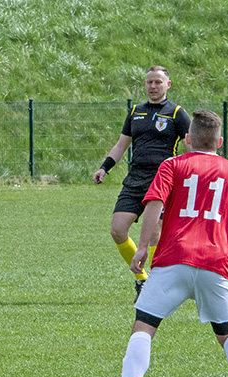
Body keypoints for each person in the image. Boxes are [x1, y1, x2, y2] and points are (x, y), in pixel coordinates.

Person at [102, 110, 228, 377]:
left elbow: (154, 203)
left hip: (173, 259)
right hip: (215, 265)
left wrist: (143, 246)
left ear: (187, 139)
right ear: (220, 142)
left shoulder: (171, 165)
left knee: (144, 327)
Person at [93, 66, 191, 301]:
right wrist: (104, 167)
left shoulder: (177, 113)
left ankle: (156, 286)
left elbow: (190, 147)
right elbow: (121, 145)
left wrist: (196, 172)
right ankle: (142, 279)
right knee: (117, 230)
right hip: (135, 179)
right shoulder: (136, 111)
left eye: (158, 82)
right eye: (149, 82)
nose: (153, 86)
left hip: (162, 180)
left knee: (155, 233)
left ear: (168, 85)